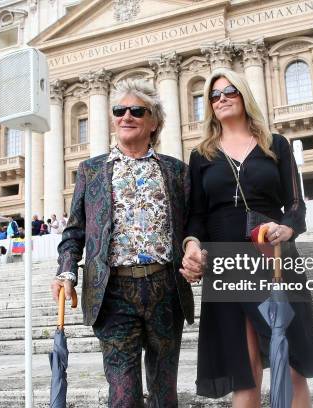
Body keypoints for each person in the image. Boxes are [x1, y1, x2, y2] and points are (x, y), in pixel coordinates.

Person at [181, 68, 313, 407]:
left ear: (243, 95)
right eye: (213, 96)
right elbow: (196, 217)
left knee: (290, 364)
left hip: (274, 257)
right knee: (244, 372)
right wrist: (191, 246)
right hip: (227, 264)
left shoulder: (276, 144)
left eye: (229, 91)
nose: (221, 99)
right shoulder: (201, 155)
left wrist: (288, 228)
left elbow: (296, 206)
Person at [52, 79, 194, 407]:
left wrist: (194, 248)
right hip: (112, 292)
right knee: (123, 394)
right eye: (119, 110)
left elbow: (192, 227)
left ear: (154, 122)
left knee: (164, 390)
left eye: (136, 110)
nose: (126, 116)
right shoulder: (91, 171)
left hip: (165, 289)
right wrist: (66, 272)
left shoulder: (176, 172)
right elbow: (74, 232)